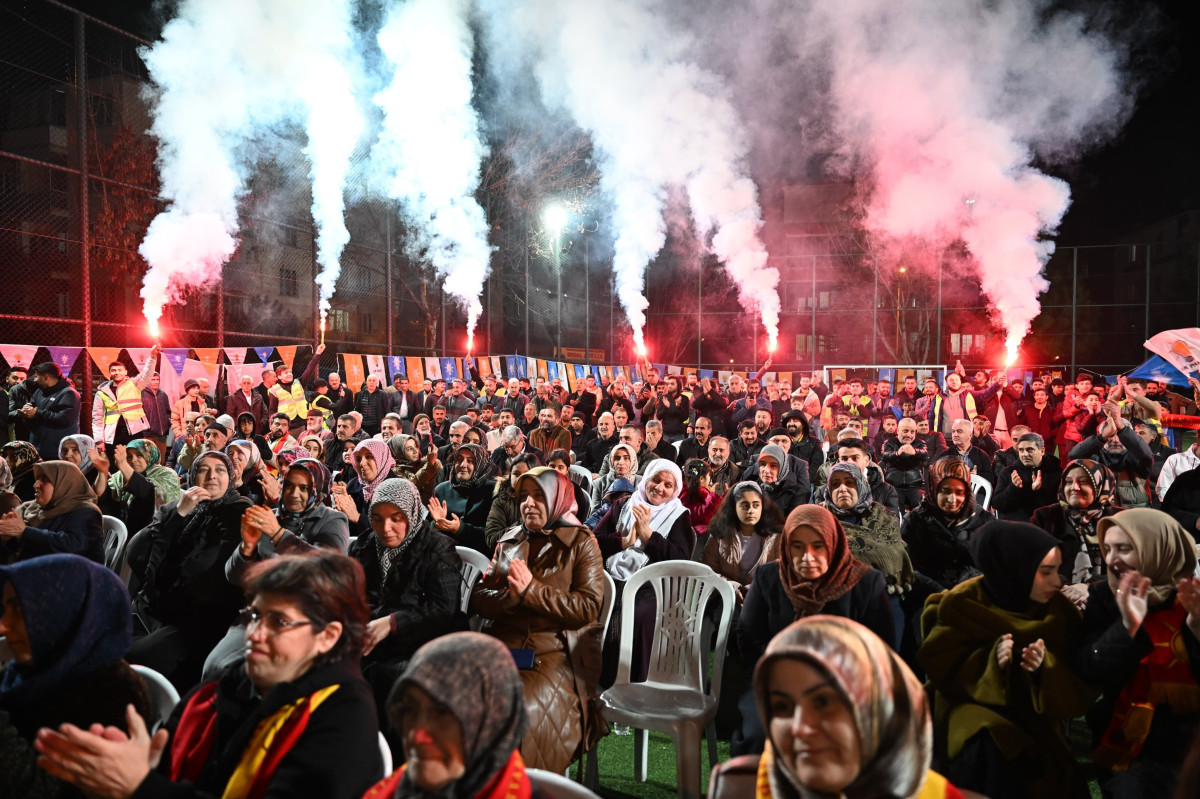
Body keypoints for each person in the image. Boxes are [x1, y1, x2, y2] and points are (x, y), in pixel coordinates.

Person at [37, 552, 384, 799]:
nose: (255, 634)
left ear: (328, 636)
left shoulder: (345, 716)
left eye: (278, 621)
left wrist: (141, 786)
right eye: (254, 616)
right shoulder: (229, 686)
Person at [920, 520, 1098, 798]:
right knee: (989, 744)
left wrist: (1045, 668)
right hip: (967, 713)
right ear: (1013, 570)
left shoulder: (1059, 612)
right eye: (1046, 572)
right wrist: (989, 662)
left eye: (1057, 570)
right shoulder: (962, 604)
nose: (1057, 581)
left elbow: (1080, 680)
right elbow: (942, 666)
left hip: (1036, 717)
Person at [715, 615, 966, 799]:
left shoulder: (937, 795)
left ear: (879, 706)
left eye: (823, 702)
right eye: (782, 706)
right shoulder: (767, 787)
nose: (800, 727)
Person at [471, 467, 605, 773]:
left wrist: (532, 591)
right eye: (523, 497)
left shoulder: (581, 542)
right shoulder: (510, 540)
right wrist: (509, 599)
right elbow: (479, 595)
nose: (528, 504)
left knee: (518, 708)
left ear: (556, 499)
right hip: (502, 646)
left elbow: (588, 606)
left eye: (538, 496)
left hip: (555, 651)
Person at [734, 505, 895, 755]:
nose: (807, 556)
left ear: (833, 543)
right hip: (779, 683)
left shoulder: (864, 583)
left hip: (845, 687)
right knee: (761, 735)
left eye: (817, 546)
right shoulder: (770, 577)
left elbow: (882, 649)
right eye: (797, 546)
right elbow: (748, 637)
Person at [0, 554, 152, 799]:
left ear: (63, 611)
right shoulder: (40, 664)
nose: (3, 626)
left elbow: (36, 789)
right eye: (5, 609)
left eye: (19, 610)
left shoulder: (112, 699)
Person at [1077, 508, 1200, 798]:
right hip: (1130, 747)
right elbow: (1088, 667)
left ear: (1158, 548)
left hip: (1191, 741)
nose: (1111, 560)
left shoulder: (1191, 598)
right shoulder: (1104, 597)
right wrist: (1127, 627)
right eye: (1107, 549)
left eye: (1124, 548)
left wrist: (1196, 632)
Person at [350, 478, 465, 744]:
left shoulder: (437, 548)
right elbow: (350, 594)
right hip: (371, 639)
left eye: (396, 518)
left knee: (391, 677)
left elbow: (443, 609)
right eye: (377, 519)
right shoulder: (366, 545)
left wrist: (391, 623)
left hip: (421, 639)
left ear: (412, 514)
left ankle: (395, 755)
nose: (385, 528)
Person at [126, 451, 253, 690]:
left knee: (134, 661)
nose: (212, 476)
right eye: (204, 470)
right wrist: (178, 514)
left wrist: (168, 545)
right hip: (155, 607)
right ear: (193, 476)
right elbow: (136, 553)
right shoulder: (184, 505)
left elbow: (204, 572)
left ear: (230, 477)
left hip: (199, 617)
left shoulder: (238, 512)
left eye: (220, 470)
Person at [362, 632, 534, 799]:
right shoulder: (393, 790)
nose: (416, 735)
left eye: (442, 712)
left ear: (493, 723)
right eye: (410, 710)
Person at [1031, 459, 1122, 607]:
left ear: (1101, 485)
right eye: (1068, 481)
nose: (1074, 487)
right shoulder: (1046, 517)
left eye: (1084, 481)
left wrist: (1091, 588)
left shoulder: (1121, 520)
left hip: (1111, 600)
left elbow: (1134, 569)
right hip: (1057, 600)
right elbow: (1033, 560)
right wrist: (1066, 589)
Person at [822, 462, 912, 606]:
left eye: (849, 483)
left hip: (882, 594)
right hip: (834, 596)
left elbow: (895, 550)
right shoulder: (818, 517)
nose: (842, 489)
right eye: (835, 484)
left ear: (861, 485)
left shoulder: (882, 515)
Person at [901, 456, 988, 592]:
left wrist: (963, 587)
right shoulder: (915, 520)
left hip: (971, 594)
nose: (952, 499)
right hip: (928, 595)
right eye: (945, 491)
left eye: (959, 492)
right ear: (933, 487)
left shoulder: (982, 519)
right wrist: (940, 592)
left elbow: (990, 565)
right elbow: (905, 566)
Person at [0, 460, 103, 565]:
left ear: (63, 484)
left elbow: (72, 546)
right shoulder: (33, 509)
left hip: (72, 576)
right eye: (37, 479)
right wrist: (8, 539)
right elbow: (28, 549)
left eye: (45, 480)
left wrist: (25, 531)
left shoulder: (87, 512)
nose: (36, 485)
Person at [702, 481, 785, 606]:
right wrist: (731, 586)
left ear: (763, 507)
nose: (751, 511)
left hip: (762, 598)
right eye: (745, 506)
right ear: (734, 508)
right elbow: (708, 571)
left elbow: (780, 573)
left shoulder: (775, 536)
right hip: (724, 597)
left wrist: (752, 589)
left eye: (756, 505)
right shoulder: (719, 533)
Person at [95, 439, 183, 538]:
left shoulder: (167, 474)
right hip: (121, 536)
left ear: (150, 455)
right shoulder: (120, 476)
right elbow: (101, 497)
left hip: (151, 536)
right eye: (129, 456)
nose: (133, 460)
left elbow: (149, 491)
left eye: (139, 455)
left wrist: (123, 465)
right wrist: (102, 472)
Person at [429, 443, 496, 555]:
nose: (463, 465)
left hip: (480, 562)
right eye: (459, 460)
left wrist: (459, 529)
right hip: (444, 556)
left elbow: (493, 536)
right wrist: (436, 525)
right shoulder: (441, 490)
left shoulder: (493, 491)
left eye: (470, 461)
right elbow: (427, 531)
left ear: (481, 465)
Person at [92, 351, 157, 452]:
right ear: (109, 373)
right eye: (113, 370)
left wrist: (152, 357)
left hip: (134, 431)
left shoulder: (134, 384)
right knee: (115, 465)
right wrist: (99, 440)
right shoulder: (101, 392)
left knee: (135, 464)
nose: (116, 372)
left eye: (119, 370)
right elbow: (97, 418)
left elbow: (147, 373)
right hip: (113, 435)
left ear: (126, 372)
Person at [992, 432, 1062, 522]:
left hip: (1045, 526)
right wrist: (1013, 488)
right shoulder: (1009, 472)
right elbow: (997, 504)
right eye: (1021, 450)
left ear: (1042, 451)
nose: (1025, 454)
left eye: (1030, 450)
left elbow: (1059, 507)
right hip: (1015, 526)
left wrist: (1039, 490)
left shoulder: (1056, 472)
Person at [25, 362, 82, 462]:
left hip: (56, 452)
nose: (34, 380)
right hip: (37, 448)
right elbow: (32, 405)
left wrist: (37, 414)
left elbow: (65, 419)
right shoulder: (40, 391)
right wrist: (27, 408)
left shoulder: (69, 393)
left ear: (46, 377)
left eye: (36, 376)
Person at [485, 452, 540, 548]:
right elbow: (492, 539)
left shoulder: (544, 502)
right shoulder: (501, 502)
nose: (520, 478)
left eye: (527, 474)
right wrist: (523, 522)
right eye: (516, 474)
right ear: (510, 476)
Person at [879, 417, 928, 512]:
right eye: (905, 431)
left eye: (912, 432)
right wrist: (897, 453)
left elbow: (925, 454)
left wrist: (915, 452)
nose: (909, 435)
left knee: (924, 506)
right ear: (898, 430)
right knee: (894, 507)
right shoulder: (889, 442)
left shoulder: (920, 443)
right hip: (894, 485)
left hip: (914, 485)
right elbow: (884, 455)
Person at [754, 444, 807, 519]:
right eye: (763, 464)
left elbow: (792, 524)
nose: (766, 470)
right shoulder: (751, 488)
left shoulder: (795, 493)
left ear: (782, 468)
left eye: (773, 465)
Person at [386, 433, 440, 505]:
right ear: (398, 452)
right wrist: (429, 465)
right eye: (409, 449)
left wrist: (432, 462)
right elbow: (411, 487)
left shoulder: (421, 463)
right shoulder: (394, 472)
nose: (415, 451)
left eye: (416, 446)